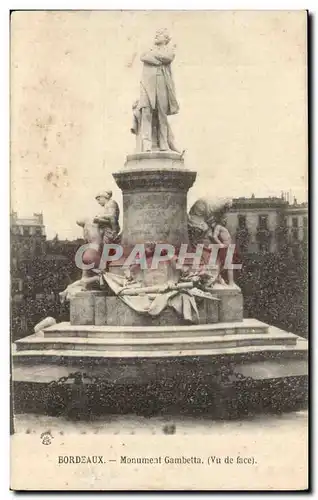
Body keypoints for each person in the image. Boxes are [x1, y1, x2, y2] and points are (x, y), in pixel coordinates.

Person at [138, 28, 180, 152]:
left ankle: (163, 143)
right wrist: (158, 60)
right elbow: (143, 57)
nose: (156, 35)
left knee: (162, 113)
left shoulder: (170, 50)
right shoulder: (149, 49)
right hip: (148, 83)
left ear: (166, 39)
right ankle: (146, 143)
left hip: (162, 81)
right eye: (156, 33)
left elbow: (168, 57)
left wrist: (154, 58)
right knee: (146, 111)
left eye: (160, 34)